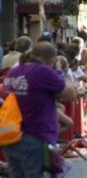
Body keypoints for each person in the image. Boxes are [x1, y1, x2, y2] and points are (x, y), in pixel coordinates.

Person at [3, 42, 78, 178]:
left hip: (11, 136)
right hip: (36, 136)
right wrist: (60, 71)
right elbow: (71, 94)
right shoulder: (43, 72)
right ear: (51, 60)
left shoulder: (13, 72)